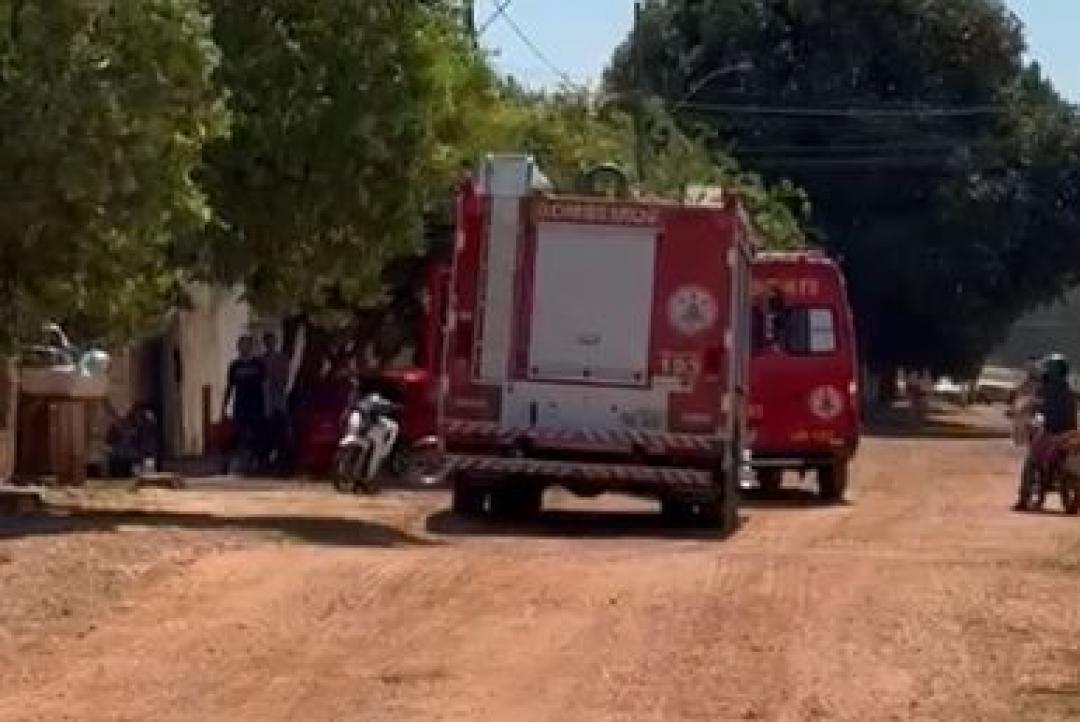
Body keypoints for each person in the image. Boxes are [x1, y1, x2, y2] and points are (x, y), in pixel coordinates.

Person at [1015, 353, 1077, 510]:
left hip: (1051, 432)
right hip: (1070, 434)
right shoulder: (1069, 390)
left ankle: (1024, 498)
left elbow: (1035, 406)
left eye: (1050, 368)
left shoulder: (1046, 388)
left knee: (1031, 460)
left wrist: (1029, 412)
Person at [222, 335, 266, 474]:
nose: (244, 348)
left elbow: (265, 386)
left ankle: (256, 462)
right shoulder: (235, 366)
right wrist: (224, 405)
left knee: (257, 435)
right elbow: (230, 386)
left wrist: (268, 405)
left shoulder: (258, 365)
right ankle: (242, 462)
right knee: (240, 434)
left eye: (247, 345)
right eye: (242, 345)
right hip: (240, 405)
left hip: (257, 405)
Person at [262, 332, 292, 474]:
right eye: (267, 341)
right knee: (267, 432)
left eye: (272, 341)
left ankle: (283, 462)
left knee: (282, 432)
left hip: (279, 400)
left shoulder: (282, 359)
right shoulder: (262, 360)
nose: (270, 344)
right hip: (267, 401)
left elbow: (284, 378)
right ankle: (267, 462)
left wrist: (278, 383)